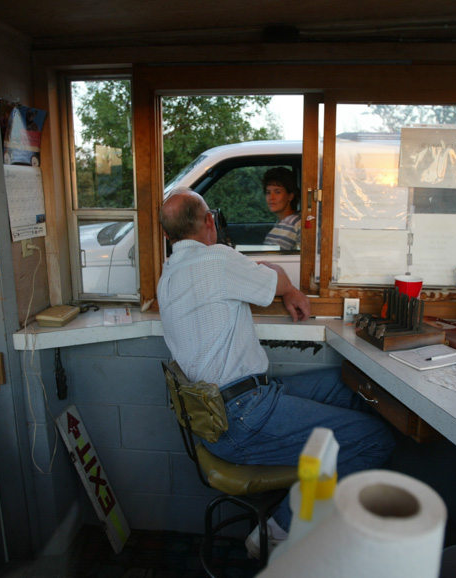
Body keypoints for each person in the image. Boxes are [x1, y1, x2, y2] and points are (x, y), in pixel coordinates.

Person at [157, 188, 396, 558]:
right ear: (208, 222)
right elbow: (276, 280)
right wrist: (290, 291)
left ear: (168, 234)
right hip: (242, 416)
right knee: (376, 438)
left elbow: (265, 279)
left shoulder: (168, 274)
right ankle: (281, 528)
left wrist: (278, 285)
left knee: (351, 387)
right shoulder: (217, 259)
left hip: (229, 410)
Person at [262, 167, 301, 250]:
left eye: (277, 192)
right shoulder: (284, 223)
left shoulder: (297, 224)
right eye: (268, 192)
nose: (271, 197)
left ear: (290, 196)